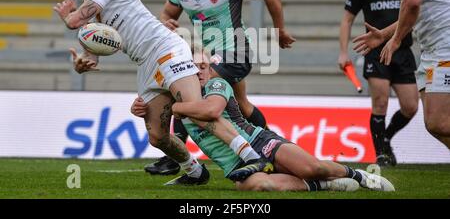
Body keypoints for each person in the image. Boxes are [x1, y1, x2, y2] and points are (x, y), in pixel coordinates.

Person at [53, 0, 274, 185]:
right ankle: (195, 171)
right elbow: (94, 54)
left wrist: (69, 18)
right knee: (157, 137)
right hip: (146, 65)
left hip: (165, 49)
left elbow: (74, 21)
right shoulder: (94, 12)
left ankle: (252, 156)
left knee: (196, 111)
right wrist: (82, 64)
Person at [132, 47, 395, 192]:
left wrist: (176, 106)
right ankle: (325, 185)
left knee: (311, 166)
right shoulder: (176, 97)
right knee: (254, 187)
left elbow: (211, 111)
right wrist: (144, 109)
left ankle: (359, 175)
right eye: (193, 67)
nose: (199, 71)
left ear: (210, 69)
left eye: (203, 66)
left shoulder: (217, 85)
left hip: (259, 142)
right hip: (236, 163)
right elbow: (159, 131)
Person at [145, 0, 296, 175]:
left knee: (189, 85)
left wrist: (280, 31)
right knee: (243, 108)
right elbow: (166, 15)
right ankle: (272, 147)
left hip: (237, 50)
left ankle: (175, 158)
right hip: (212, 55)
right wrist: (166, 23)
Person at [352, 0, 450, 149]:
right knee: (434, 123)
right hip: (434, 48)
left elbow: (413, 1)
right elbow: (415, 8)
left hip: (444, 46)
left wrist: (394, 41)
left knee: (438, 123)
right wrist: (384, 34)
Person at [338, 0, 419, 166]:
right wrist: (343, 52)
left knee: (411, 106)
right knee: (380, 102)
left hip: (402, 52)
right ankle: (381, 153)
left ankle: (386, 136)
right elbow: (347, 20)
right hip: (375, 53)